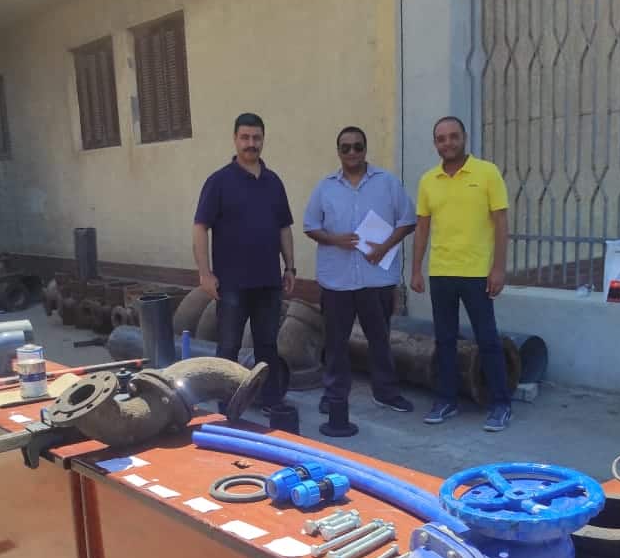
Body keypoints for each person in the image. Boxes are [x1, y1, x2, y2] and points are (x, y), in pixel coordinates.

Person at [410, 116, 512, 431]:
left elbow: (501, 223)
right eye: (441, 139)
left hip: (477, 273)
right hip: (441, 272)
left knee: (487, 339)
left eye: (453, 136)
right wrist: (416, 270)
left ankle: (501, 404)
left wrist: (498, 268)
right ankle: (446, 400)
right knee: (444, 340)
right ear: (435, 144)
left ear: (464, 138)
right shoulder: (428, 180)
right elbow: (422, 228)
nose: (448, 143)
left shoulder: (487, 173)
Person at [304, 126, 415, 415]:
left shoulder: (387, 183)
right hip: (337, 280)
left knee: (380, 340)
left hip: (376, 279)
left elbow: (408, 220)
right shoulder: (325, 188)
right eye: (346, 147)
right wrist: (334, 240)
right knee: (335, 343)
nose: (352, 152)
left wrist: (384, 247)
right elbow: (310, 226)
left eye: (357, 146)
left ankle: (386, 392)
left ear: (365, 149)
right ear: (338, 152)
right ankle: (334, 395)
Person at [193, 113, 296, 412]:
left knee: (267, 346)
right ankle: (227, 409)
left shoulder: (273, 182)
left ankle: (270, 401)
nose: (251, 143)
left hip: (268, 282)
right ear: (235, 139)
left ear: (263, 139)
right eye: (245, 137)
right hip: (232, 284)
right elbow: (200, 228)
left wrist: (290, 267)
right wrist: (204, 273)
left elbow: (284, 228)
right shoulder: (219, 182)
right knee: (228, 348)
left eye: (256, 138)